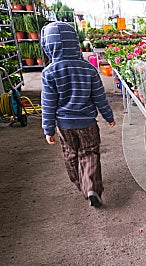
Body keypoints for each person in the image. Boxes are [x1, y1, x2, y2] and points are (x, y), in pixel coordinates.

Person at [40, 21, 115, 208]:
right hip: (87, 122)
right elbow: (99, 96)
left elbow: (48, 104)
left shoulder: (49, 72)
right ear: (75, 43)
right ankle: (91, 188)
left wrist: (48, 128)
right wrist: (108, 117)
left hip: (64, 125)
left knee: (71, 153)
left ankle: (80, 182)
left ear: (48, 46)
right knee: (89, 152)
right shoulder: (88, 68)